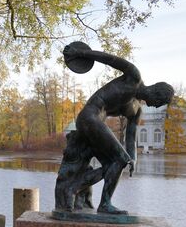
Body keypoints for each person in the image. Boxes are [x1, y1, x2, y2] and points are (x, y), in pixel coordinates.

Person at [58, 43, 174, 214]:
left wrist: (133, 159)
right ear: (156, 91)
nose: (156, 106)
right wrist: (81, 52)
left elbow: (131, 136)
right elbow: (108, 59)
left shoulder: (136, 109)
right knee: (119, 159)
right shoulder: (134, 77)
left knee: (113, 165)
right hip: (89, 116)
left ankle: (74, 187)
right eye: (159, 102)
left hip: (95, 124)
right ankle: (103, 204)